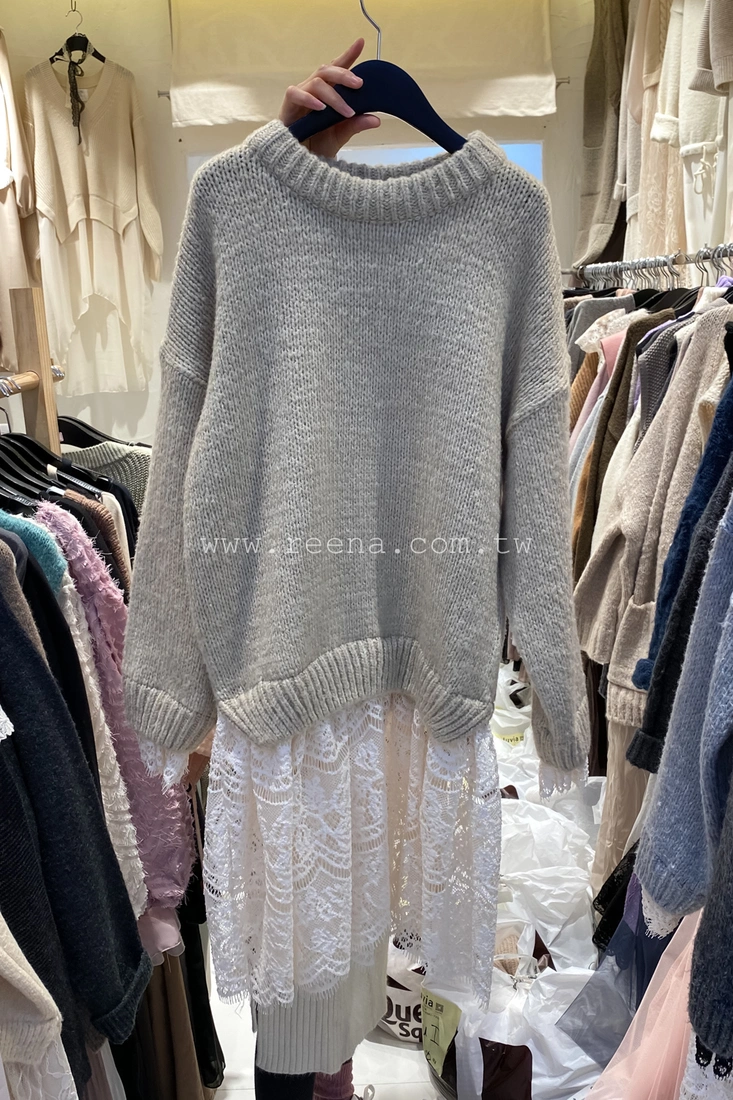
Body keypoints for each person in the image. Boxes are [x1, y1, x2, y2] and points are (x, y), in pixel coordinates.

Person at [250, 38, 381, 1100]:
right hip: (287, 674)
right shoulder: (244, 221)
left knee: (347, 967)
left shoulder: (486, 234)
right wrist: (282, 167)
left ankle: (330, 1072)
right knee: (298, 976)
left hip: (395, 671)